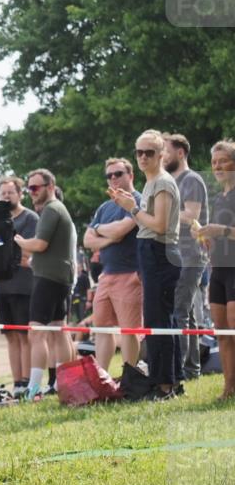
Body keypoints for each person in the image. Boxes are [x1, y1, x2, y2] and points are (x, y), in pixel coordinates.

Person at [110, 130, 183, 400]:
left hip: (160, 252)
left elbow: (160, 225)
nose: (142, 157)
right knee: (161, 319)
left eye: (148, 152)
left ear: (161, 154)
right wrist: (130, 204)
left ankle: (165, 385)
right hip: (152, 251)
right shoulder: (153, 182)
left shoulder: (162, 182)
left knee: (158, 321)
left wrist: (132, 208)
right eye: (138, 152)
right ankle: (171, 381)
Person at [14, 169, 77, 400]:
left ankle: (33, 388)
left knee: (36, 332)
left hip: (48, 278)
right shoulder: (58, 209)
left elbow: (40, 244)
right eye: (28, 188)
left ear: (50, 187)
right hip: (59, 277)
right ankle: (64, 382)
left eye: (35, 187)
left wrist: (18, 241)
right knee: (60, 331)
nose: (31, 192)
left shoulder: (51, 209)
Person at [83, 158, 143, 371]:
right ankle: (102, 378)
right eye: (109, 175)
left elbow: (121, 230)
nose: (113, 178)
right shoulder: (104, 207)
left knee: (130, 330)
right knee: (102, 329)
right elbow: (87, 240)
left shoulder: (138, 200)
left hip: (131, 274)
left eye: (118, 173)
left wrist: (101, 230)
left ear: (131, 175)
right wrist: (107, 234)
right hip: (106, 276)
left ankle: (130, 377)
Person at [164, 133, 210, 381]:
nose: (162, 157)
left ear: (180, 153)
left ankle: (177, 371)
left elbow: (192, 214)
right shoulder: (170, 180)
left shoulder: (191, 179)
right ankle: (191, 370)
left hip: (190, 254)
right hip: (176, 254)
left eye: (167, 151)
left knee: (178, 312)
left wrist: (162, 212)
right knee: (188, 315)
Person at [194, 139, 235, 400]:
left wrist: (222, 231)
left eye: (223, 161)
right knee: (221, 332)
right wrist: (208, 238)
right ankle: (229, 388)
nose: (218, 166)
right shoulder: (219, 198)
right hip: (219, 269)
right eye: (214, 162)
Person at [0, 176, 38, 396]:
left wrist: (11, 255)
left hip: (23, 286)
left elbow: (31, 252)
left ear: (20, 194)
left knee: (24, 335)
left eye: (10, 192)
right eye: (3, 193)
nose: (6, 196)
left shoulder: (30, 218)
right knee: (10, 336)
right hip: (2, 287)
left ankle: (28, 380)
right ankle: (16, 382)